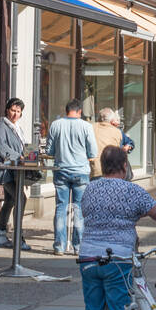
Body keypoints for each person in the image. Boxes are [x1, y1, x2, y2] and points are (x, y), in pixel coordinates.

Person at [78, 145, 156, 310]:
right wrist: (138, 212)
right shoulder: (131, 190)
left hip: (87, 258)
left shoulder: (90, 189)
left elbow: (87, 213)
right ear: (125, 166)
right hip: (117, 258)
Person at [47, 99, 99, 255]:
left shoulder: (56, 125)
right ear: (80, 112)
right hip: (81, 172)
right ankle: (78, 246)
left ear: (66, 110)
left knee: (61, 207)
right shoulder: (86, 126)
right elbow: (93, 151)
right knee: (79, 209)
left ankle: (59, 246)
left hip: (61, 170)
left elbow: (49, 150)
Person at [0, 98, 32, 251]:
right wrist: (19, 157)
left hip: (15, 171)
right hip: (6, 171)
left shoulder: (17, 127)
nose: (15, 114)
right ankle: (18, 237)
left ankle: (1, 235)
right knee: (20, 198)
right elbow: (1, 147)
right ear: (7, 110)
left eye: (18, 111)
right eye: (13, 110)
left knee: (10, 201)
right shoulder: (1, 126)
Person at [91, 108, 124, 178]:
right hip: (111, 170)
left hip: (94, 170)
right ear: (111, 120)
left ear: (99, 118)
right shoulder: (117, 132)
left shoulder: (91, 127)